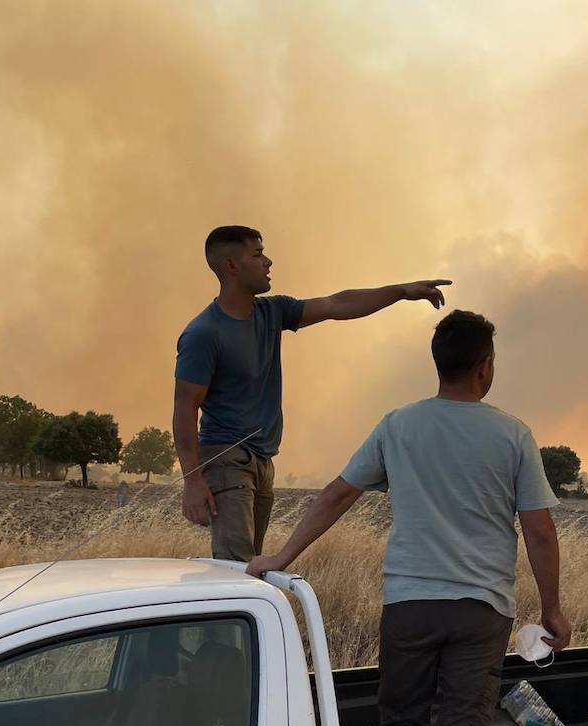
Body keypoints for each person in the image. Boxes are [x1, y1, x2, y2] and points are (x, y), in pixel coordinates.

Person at [247, 310, 572, 726]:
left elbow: (339, 494)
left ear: (438, 363)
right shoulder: (512, 434)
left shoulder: (398, 425)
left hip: (409, 605)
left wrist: (282, 555)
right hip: (480, 611)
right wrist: (552, 609)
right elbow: (539, 531)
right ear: (485, 366)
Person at [173, 225, 449, 561]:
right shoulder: (203, 334)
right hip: (226, 457)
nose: (268, 262)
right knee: (234, 566)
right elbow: (186, 408)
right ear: (231, 266)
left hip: (262, 459)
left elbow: (336, 304)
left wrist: (401, 291)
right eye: (258, 255)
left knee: (249, 564)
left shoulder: (271, 312)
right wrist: (192, 480)